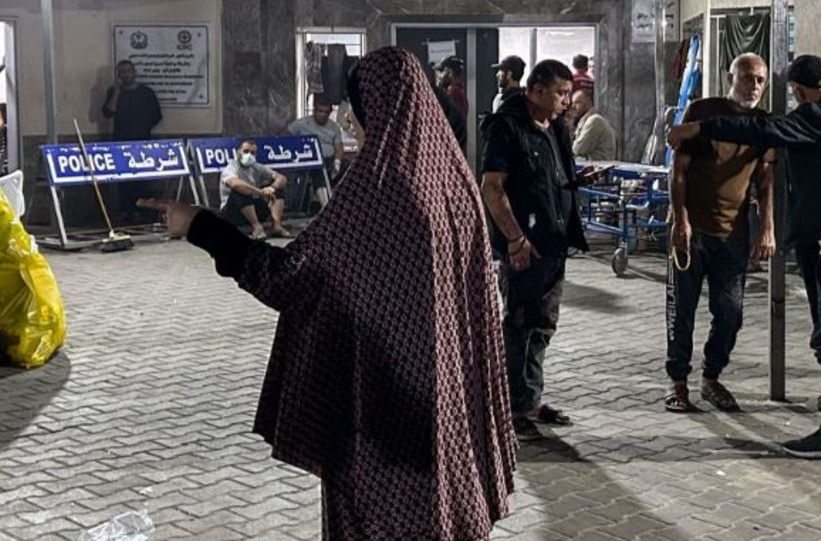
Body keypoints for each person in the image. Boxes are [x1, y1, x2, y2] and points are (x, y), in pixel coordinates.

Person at [138, 46, 516, 540]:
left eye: (357, 113)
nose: (354, 125)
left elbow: (292, 277)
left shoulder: (380, 187)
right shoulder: (455, 182)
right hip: (444, 411)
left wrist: (201, 226)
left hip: (382, 416)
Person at [668, 55, 821, 459]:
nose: (754, 85)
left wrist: (698, 128)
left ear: (798, 91)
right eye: (747, 77)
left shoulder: (815, 117)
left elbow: (756, 130)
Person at [481, 59, 599, 442]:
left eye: (567, 94)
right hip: (523, 248)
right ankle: (510, 409)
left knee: (542, 325)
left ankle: (529, 400)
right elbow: (492, 187)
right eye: (561, 93)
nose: (567, 100)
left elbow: (551, 176)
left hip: (554, 245)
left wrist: (577, 179)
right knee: (519, 325)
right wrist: (514, 238)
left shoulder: (557, 128)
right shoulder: (507, 126)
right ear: (535, 90)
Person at [664, 53, 776, 414]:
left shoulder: (763, 124)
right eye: (747, 78)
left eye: (760, 80)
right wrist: (680, 219)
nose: (754, 86)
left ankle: (711, 375)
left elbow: (765, 181)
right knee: (682, 309)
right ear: (731, 77)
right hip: (693, 231)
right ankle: (677, 381)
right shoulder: (703, 111)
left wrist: (767, 228)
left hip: (733, 233)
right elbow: (678, 170)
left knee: (731, 312)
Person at [102, 60, 163, 223]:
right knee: (124, 179)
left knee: (142, 178)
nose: (126, 75)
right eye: (122, 72)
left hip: (142, 141)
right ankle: (126, 210)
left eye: (128, 71)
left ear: (134, 72)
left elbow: (157, 115)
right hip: (120, 141)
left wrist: (142, 127)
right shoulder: (114, 91)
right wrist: (116, 92)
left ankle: (143, 210)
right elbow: (108, 112)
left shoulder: (146, 93)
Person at [219, 139, 292, 240]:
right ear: (238, 152)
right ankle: (257, 227)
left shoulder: (257, 167)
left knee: (277, 188)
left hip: (254, 208)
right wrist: (261, 193)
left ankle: (277, 226)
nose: (249, 155)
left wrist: (272, 187)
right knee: (241, 190)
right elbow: (235, 184)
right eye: (246, 151)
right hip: (232, 213)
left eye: (252, 153)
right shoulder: (231, 168)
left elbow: (281, 178)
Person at [288, 96, 346, 209]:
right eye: (320, 111)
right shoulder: (302, 124)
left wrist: (337, 162)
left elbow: (339, 147)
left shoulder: (334, 127)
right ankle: (325, 205)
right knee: (319, 169)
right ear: (315, 110)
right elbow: (284, 133)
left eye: (326, 112)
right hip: (309, 161)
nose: (323, 114)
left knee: (349, 166)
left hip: (330, 159)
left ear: (330, 113)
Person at [569, 90, 618, 162]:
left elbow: (578, 149)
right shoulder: (585, 121)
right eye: (572, 103)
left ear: (588, 103)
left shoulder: (594, 121)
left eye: (577, 103)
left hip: (599, 168)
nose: (573, 107)